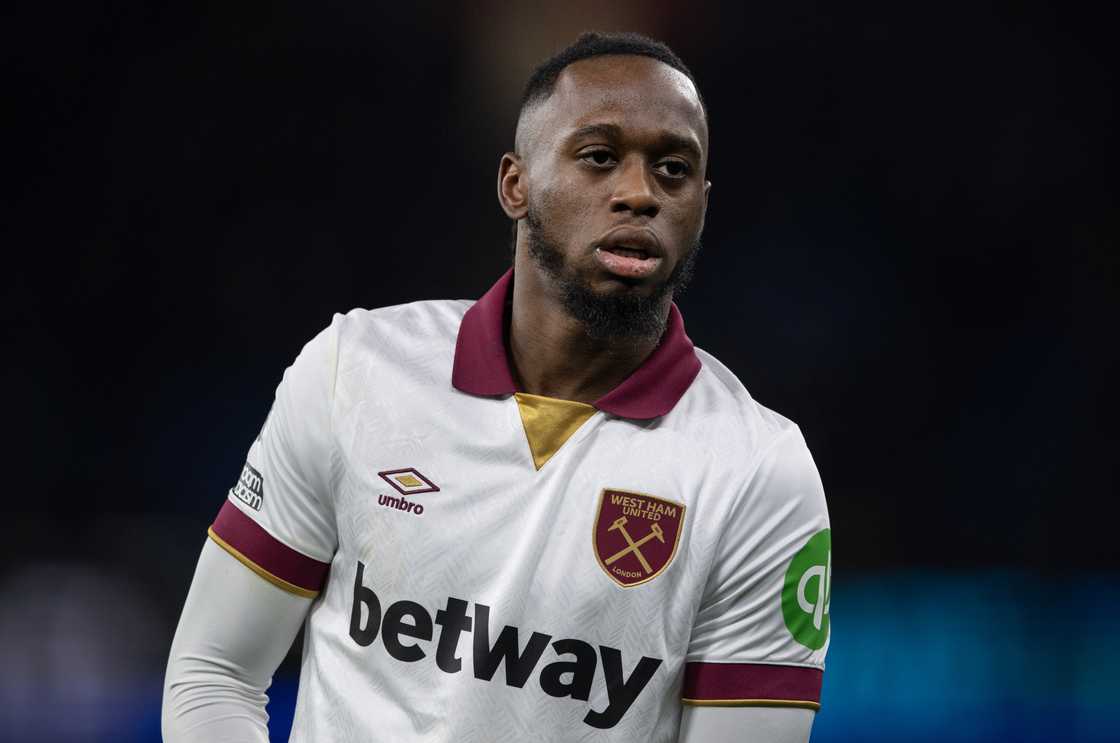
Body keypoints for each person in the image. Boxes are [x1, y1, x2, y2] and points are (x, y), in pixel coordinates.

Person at [162, 31, 831, 743]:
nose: (638, 192)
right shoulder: (353, 371)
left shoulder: (759, 471)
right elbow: (214, 673)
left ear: (700, 203)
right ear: (516, 184)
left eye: (673, 169)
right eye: (599, 157)